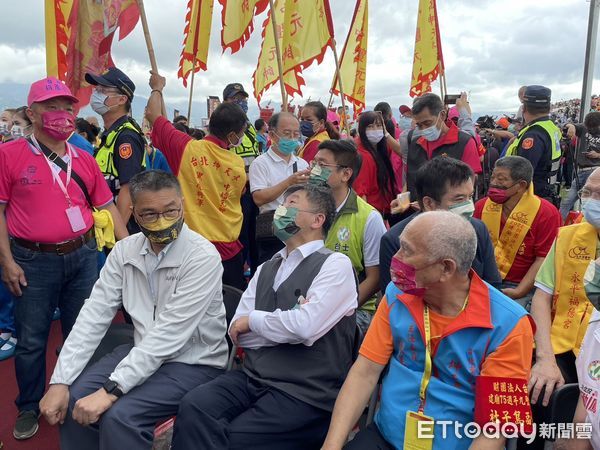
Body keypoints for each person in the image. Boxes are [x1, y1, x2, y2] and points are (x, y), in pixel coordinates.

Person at [39, 170, 227, 450]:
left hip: (194, 361)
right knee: (74, 397)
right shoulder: (124, 251)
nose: (162, 221)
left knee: (120, 416)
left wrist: (111, 390)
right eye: (150, 214)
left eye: (171, 211)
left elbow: (169, 335)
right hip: (140, 350)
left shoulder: (202, 257)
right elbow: (93, 316)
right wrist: (60, 380)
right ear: (133, 213)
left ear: (182, 205)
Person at [322, 211, 534, 450]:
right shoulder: (397, 294)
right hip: (387, 436)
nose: (396, 258)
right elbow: (365, 371)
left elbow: (494, 429)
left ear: (445, 268)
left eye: (407, 251)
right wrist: (331, 445)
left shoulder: (509, 325)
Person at [171, 184, 358, 450]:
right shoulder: (267, 267)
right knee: (194, 406)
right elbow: (239, 332)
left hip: (305, 392)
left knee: (234, 438)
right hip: (253, 377)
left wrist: (256, 322)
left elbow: (304, 327)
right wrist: (280, 329)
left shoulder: (334, 265)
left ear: (318, 220)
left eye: (291, 204)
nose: (280, 211)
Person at [0, 76, 127, 440]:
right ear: (32, 112)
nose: (61, 115)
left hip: (83, 256)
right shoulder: (9, 155)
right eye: (51, 107)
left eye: (67, 108)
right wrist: (7, 262)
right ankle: (28, 405)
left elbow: (108, 208)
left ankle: (75, 394)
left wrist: (133, 251)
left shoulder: (84, 158)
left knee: (83, 333)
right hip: (31, 261)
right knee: (31, 338)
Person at [145, 72, 247, 290]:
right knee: (230, 308)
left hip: (191, 248)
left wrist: (157, 88)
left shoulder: (186, 148)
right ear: (232, 136)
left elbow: (153, 114)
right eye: (242, 133)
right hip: (228, 249)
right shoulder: (238, 164)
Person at [380, 157, 501, 293]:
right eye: (459, 199)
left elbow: (492, 285)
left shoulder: (477, 229)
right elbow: (394, 297)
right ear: (429, 203)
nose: (469, 206)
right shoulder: (395, 240)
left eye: (471, 196)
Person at [313, 139, 387, 336]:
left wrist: (341, 309)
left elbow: (375, 278)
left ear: (345, 174)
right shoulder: (303, 209)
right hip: (307, 302)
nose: (314, 170)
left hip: (352, 310)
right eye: (313, 164)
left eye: (322, 165)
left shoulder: (369, 218)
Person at [474, 156, 561, 310]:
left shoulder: (546, 213)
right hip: (481, 280)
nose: (493, 183)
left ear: (521, 185)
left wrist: (519, 291)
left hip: (520, 285)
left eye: (501, 180)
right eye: (493, 177)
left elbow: (543, 259)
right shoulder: (481, 206)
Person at [86, 67, 147, 232]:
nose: (96, 94)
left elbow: (128, 190)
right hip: (104, 225)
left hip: (119, 231)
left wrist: (116, 238)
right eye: (96, 89)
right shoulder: (110, 134)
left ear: (122, 99)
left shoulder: (125, 137)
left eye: (103, 90)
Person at [249, 112, 310, 263]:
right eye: (287, 133)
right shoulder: (261, 163)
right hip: (272, 231)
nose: (292, 138)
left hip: (299, 228)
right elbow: (258, 198)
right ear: (272, 134)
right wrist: (289, 182)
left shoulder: (302, 164)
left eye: (296, 134)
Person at [404, 93, 482, 200]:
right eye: (419, 125)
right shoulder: (416, 144)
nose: (423, 129)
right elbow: (411, 178)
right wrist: (403, 198)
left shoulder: (464, 142)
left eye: (427, 123)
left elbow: (471, 180)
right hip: (420, 210)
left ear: (442, 115)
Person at [223, 82, 260, 277]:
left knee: (254, 233)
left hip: (253, 190)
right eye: (235, 99)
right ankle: (240, 271)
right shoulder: (222, 128)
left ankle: (255, 272)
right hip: (234, 192)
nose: (241, 103)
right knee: (240, 234)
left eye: (243, 99)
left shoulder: (250, 128)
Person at [505, 85, 562, 202]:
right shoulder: (550, 127)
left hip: (530, 199)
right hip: (545, 192)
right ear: (548, 108)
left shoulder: (533, 135)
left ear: (524, 108)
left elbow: (522, 174)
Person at [353, 111, 399, 217]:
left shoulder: (382, 148)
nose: (375, 130)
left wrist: (386, 134)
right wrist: (368, 219)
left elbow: (403, 154)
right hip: (372, 212)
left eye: (378, 126)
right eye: (370, 127)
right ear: (361, 129)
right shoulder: (363, 155)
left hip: (384, 209)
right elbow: (361, 192)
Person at [560, 111, 600, 219]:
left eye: (593, 128)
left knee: (591, 205)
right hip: (581, 171)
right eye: (589, 127)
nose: (591, 130)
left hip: (597, 172)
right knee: (567, 201)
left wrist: (598, 155)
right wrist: (571, 126)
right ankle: (558, 227)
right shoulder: (583, 127)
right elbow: (568, 125)